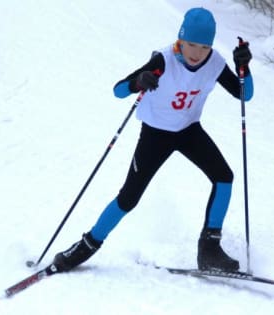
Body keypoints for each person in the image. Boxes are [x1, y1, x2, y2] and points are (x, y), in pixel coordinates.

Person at [53, 7, 253, 272]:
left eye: (204, 46)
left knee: (224, 177)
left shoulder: (214, 63)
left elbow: (244, 94)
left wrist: (243, 68)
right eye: (191, 44)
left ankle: (209, 250)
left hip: (189, 131)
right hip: (155, 135)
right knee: (129, 198)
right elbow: (118, 90)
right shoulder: (163, 60)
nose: (196, 52)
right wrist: (139, 81)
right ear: (181, 39)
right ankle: (85, 247)